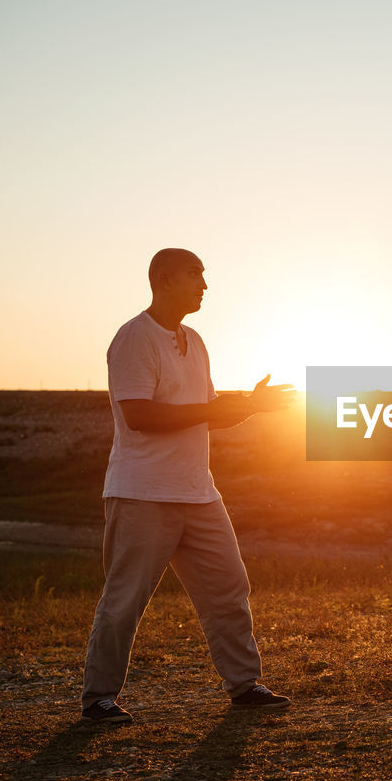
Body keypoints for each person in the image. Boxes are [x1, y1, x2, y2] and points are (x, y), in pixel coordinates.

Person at [81, 247, 292, 723]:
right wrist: (214, 410)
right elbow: (139, 415)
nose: (204, 284)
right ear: (163, 279)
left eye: (204, 275)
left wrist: (251, 405)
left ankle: (244, 686)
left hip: (199, 491)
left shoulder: (194, 341)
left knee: (228, 589)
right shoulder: (134, 338)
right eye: (195, 274)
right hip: (142, 492)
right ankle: (98, 699)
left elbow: (204, 410)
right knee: (124, 600)